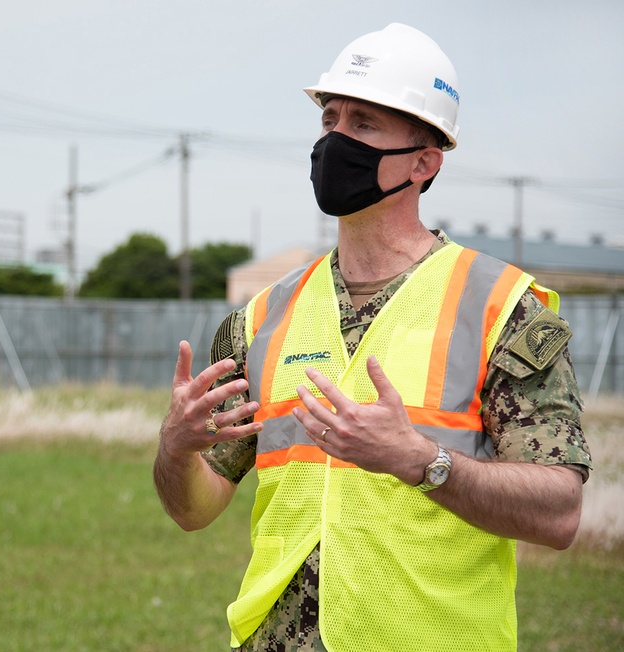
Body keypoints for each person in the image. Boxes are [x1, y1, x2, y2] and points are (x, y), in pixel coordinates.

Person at [153, 23, 592, 652]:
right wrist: (174, 449)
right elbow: (193, 510)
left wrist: (422, 463)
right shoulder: (260, 319)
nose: (335, 139)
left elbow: (559, 513)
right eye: (329, 119)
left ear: (424, 163)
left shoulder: (505, 310)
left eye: (363, 124)